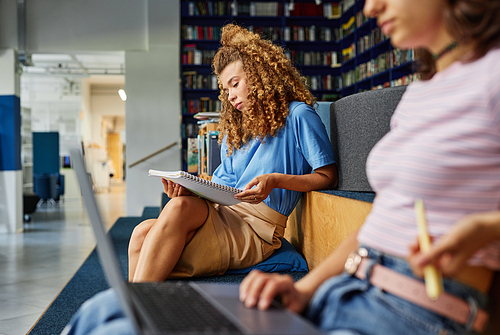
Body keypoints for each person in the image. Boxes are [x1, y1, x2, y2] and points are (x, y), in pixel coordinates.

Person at [239, 0, 500, 334]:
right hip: (346, 289)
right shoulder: (423, 91)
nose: (372, 8)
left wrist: (488, 229)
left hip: (417, 311)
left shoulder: (492, 75)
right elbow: (377, 226)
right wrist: (303, 290)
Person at [128, 23, 337, 283]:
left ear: (260, 74)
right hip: (226, 210)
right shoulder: (236, 129)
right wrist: (190, 188)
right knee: (141, 232)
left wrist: (276, 180)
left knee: (175, 213)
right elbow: (221, 185)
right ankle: (136, 309)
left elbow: (327, 176)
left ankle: (132, 313)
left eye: (235, 84)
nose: (230, 96)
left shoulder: (299, 115)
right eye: (226, 90)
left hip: (258, 227)